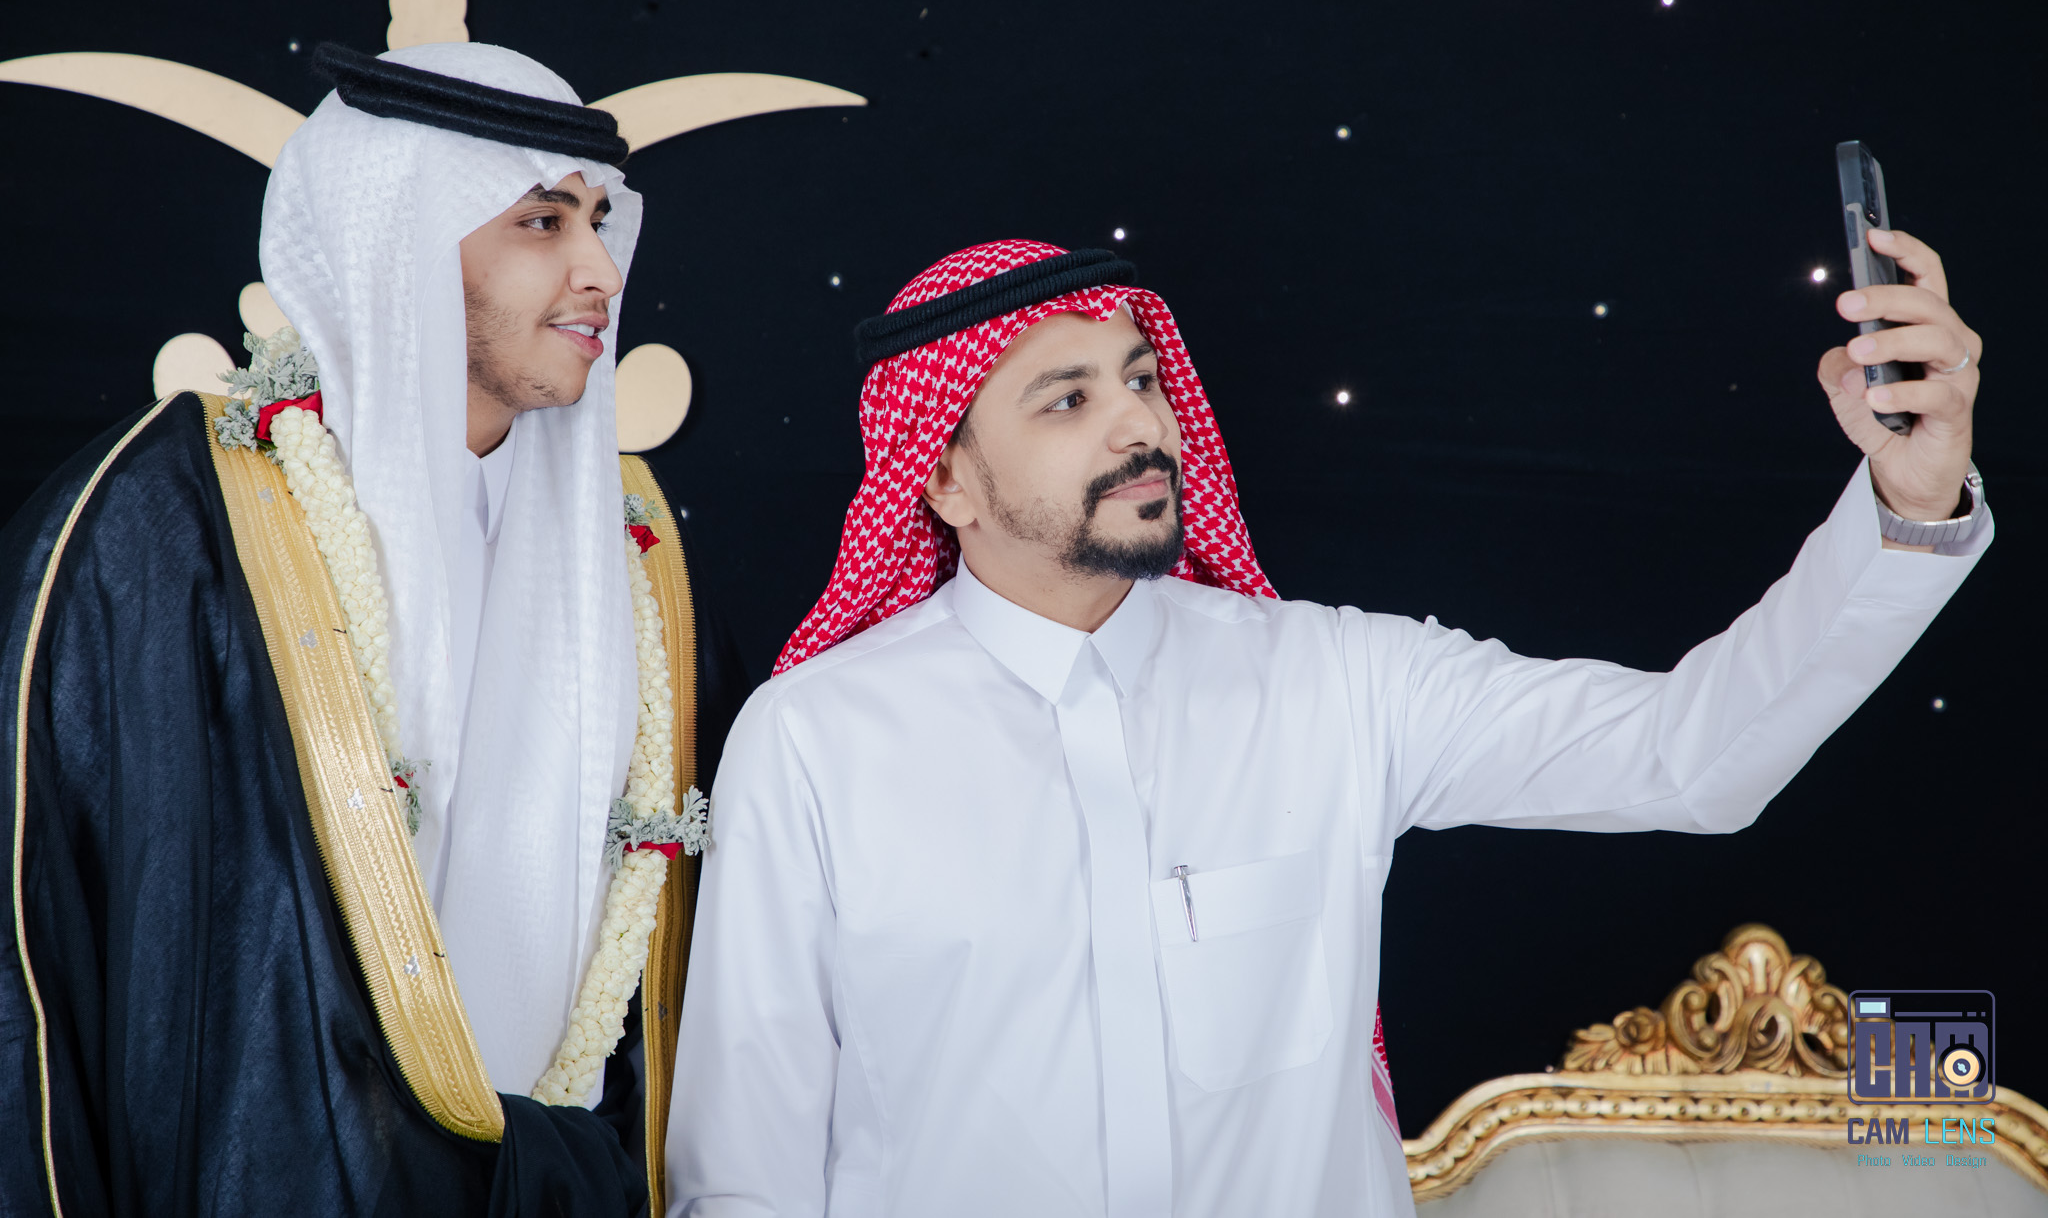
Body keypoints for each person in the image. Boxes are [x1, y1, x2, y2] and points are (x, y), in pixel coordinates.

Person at [667, 237, 1989, 1217]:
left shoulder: (1334, 683)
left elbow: (1690, 758)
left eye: (1140, 379)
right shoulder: (815, 742)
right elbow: (745, 1173)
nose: (1137, 424)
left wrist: (1907, 503)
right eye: (1066, 399)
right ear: (945, 478)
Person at [1, 42, 743, 1216]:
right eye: (541, 223)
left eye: (601, 220)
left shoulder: (632, 548)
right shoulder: (168, 529)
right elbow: (55, 955)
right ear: (399, 242)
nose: (601, 270)